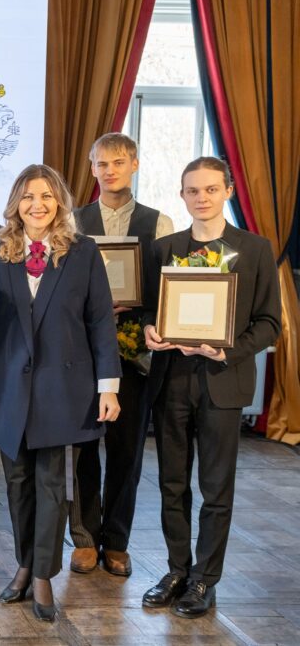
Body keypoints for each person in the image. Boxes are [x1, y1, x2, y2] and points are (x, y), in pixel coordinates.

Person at [0, 164, 121, 622]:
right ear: (16, 202)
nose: (38, 205)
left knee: (52, 485)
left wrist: (108, 387)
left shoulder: (83, 251)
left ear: (60, 203)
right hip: (8, 387)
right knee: (17, 484)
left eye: (47, 196)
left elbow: (100, 321)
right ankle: (24, 564)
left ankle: (42, 577)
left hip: (62, 388)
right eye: (29, 196)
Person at [140, 157, 280, 619]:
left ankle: (204, 579)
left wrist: (228, 351)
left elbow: (269, 323)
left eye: (211, 189)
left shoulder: (255, 249)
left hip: (223, 380)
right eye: (192, 190)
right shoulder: (164, 248)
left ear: (228, 191)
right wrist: (150, 330)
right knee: (171, 484)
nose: (202, 197)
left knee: (216, 488)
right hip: (172, 382)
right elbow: (148, 310)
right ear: (181, 195)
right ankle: (176, 571)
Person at [68, 133, 175, 577]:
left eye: (117, 162)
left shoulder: (159, 222)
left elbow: (168, 291)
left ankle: (116, 540)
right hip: (82, 351)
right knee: (81, 447)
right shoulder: (72, 221)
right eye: (101, 163)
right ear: (92, 169)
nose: (109, 170)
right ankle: (84, 539)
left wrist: (142, 314)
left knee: (126, 450)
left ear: (134, 164)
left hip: (136, 352)